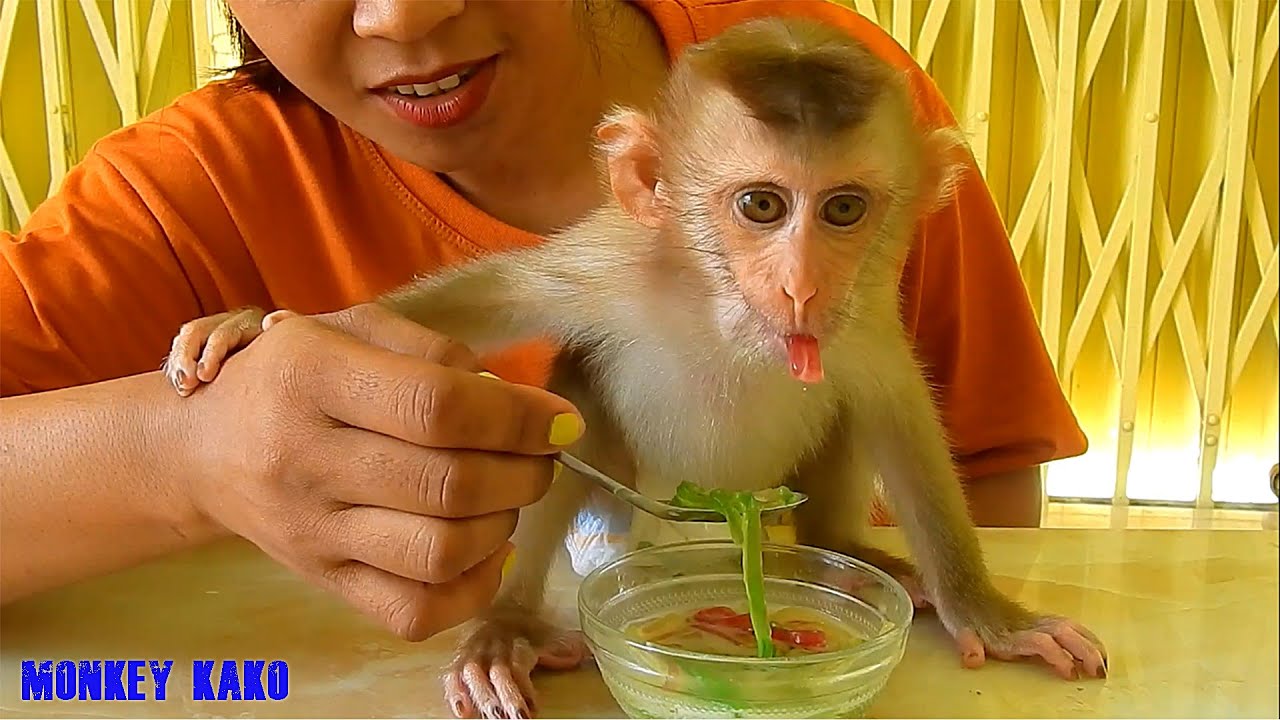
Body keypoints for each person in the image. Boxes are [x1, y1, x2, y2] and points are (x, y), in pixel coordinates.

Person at [0, 0, 1087, 639]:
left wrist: (966, 601)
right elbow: (488, 300)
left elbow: (971, 458)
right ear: (643, 178)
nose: (406, 18)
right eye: (759, 207)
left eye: (842, 212)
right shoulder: (183, 190)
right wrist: (180, 451)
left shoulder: (847, 96)